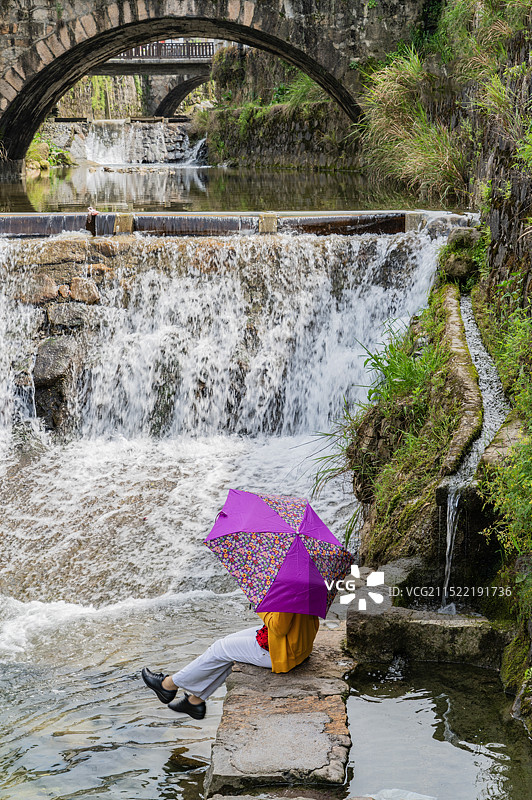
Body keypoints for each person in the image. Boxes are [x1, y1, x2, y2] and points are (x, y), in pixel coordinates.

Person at [142, 611, 320, 719]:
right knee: (226, 644)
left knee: (221, 648)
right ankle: (195, 702)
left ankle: (168, 685)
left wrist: (261, 605)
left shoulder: (289, 584)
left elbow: (279, 626)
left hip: (281, 651)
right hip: (298, 643)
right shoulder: (306, 576)